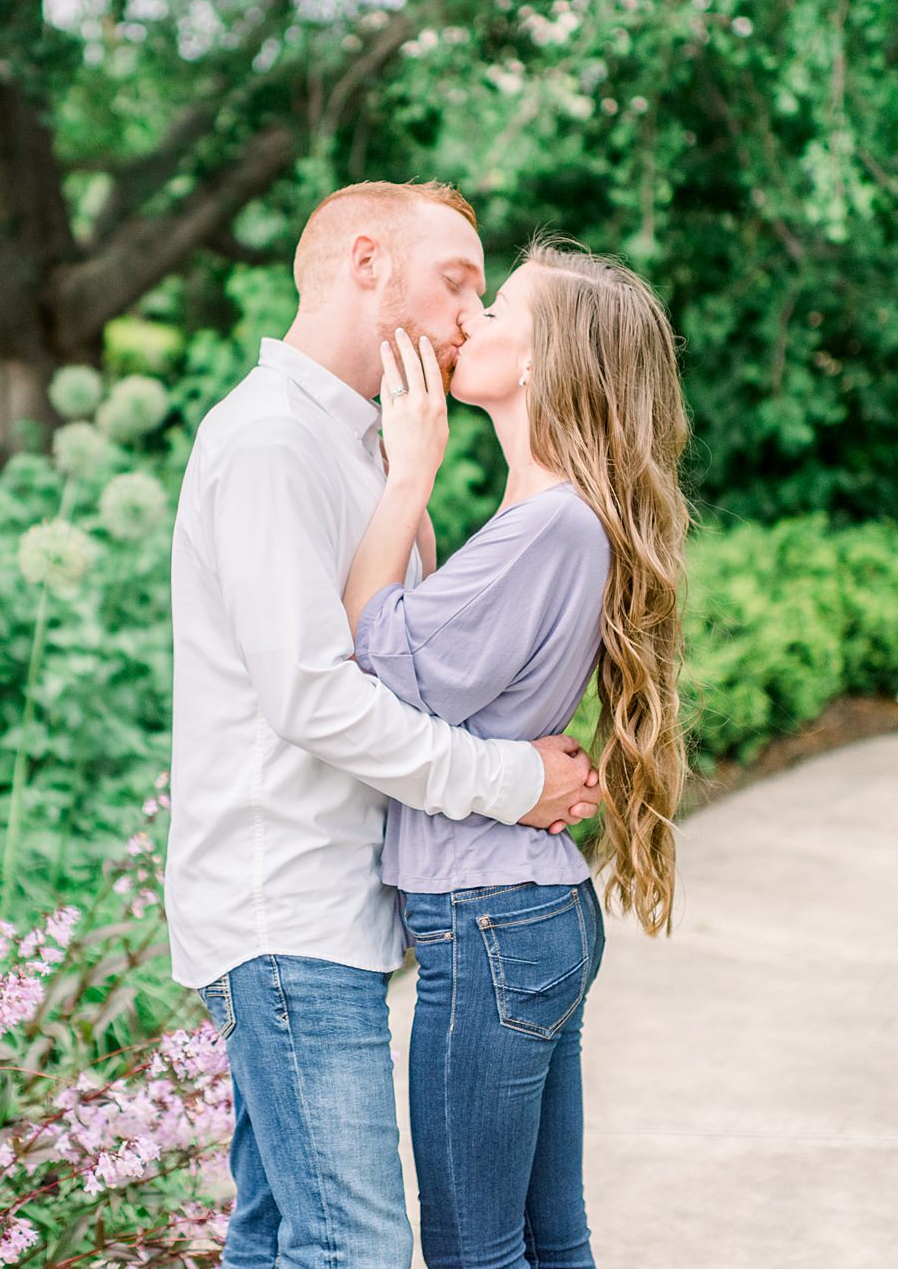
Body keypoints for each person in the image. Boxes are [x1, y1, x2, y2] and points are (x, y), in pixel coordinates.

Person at [165, 180, 605, 1269]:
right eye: (458, 282)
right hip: (287, 904)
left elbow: (417, 668)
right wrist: (513, 783)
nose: (469, 314)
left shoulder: (374, 448)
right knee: (353, 1246)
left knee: (277, 1234)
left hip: (343, 901)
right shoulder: (273, 442)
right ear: (368, 266)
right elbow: (316, 695)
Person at [343, 238, 690, 1269]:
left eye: (496, 313)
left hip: (490, 921)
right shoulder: (550, 518)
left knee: (473, 1251)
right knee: (547, 1240)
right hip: (523, 912)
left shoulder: (546, 527)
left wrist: (408, 477)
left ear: (538, 363)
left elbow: (377, 657)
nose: (470, 323)